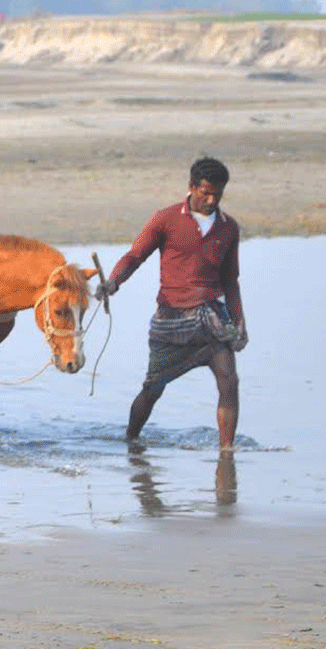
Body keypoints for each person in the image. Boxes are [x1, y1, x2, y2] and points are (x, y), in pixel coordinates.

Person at [97, 157, 247, 449]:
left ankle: (226, 454)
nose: (211, 199)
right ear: (191, 187)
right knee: (153, 389)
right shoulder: (165, 219)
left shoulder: (229, 228)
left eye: (217, 194)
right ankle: (131, 441)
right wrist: (114, 282)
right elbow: (135, 256)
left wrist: (240, 323)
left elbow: (231, 281)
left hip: (213, 319)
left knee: (230, 382)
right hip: (171, 319)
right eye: (205, 192)